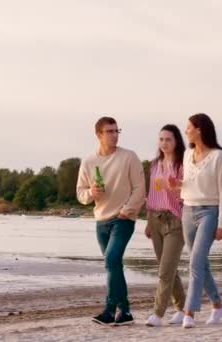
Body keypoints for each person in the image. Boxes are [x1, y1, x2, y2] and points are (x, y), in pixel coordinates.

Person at [76, 116, 146, 326]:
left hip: (123, 218)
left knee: (111, 259)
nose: (115, 135)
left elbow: (140, 189)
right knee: (113, 265)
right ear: (99, 135)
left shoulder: (129, 157)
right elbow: (80, 194)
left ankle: (109, 310)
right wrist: (91, 193)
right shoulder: (89, 162)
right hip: (101, 220)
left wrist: (128, 209)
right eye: (110, 131)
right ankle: (125, 312)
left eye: (117, 131)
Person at [169, 113, 222, 329]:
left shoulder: (219, 156)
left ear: (199, 129)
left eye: (189, 127)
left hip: (209, 212)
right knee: (200, 263)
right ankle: (217, 304)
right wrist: (176, 184)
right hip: (188, 209)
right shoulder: (187, 154)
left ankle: (190, 312)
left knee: (195, 262)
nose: (186, 131)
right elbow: (188, 183)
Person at [144, 124, 187, 327]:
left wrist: (174, 188)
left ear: (176, 141)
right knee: (167, 268)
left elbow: (186, 196)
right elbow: (151, 194)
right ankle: (183, 308)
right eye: (161, 139)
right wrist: (148, 221)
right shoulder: (154, 165)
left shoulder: (183, 165)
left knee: (165, 270)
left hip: (176, 220)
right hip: (155, 218)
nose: (164, 143)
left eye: (168, 139)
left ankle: (157, 314)